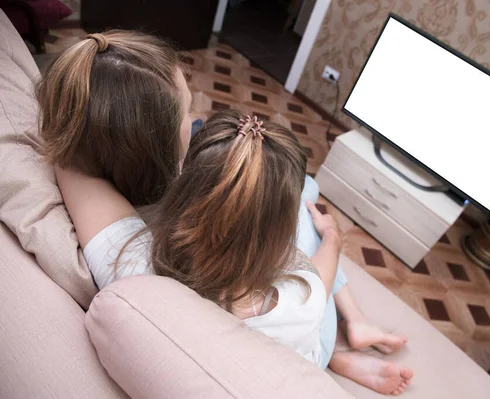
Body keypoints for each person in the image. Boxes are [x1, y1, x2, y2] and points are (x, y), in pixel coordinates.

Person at [38, 31, 413, 394]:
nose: (196, 114)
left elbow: (67, 153)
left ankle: (356, 326)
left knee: (276, 189)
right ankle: (345, 337)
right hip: (306, 343)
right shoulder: (298, 295)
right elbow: (318, 278)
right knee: (302, 193)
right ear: (156, 147)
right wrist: (333, 239)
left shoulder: (128, 259)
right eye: (186, 109)